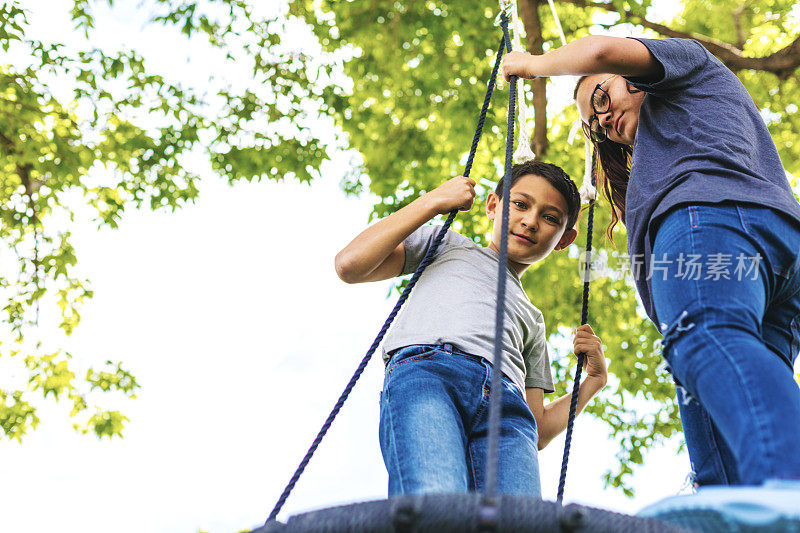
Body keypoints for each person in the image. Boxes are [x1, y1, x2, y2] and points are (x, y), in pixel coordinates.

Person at [502, 36, 800, 490]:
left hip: (716, 226)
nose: (602, 118)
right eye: (595, 124)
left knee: (707, 337)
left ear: (633, 77)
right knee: (720, 402)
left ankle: (787, 483)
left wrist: (532, 64)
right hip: (777, 255)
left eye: (601, 97)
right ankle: (736, 505)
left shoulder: (688, 70)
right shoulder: (671, 143)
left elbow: (601, 53)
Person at [335, 160, 608, 496]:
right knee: (436, 499)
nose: (531, 221)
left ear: (564, 239)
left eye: (550, 217)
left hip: (508, 409)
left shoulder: (533, 320)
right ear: (493, 206)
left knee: (520, 520)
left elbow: (536, 428)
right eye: (520, 204)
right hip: (430, 374)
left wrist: (594, 381)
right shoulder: (447, 245)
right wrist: (434, 200)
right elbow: (351, 265)